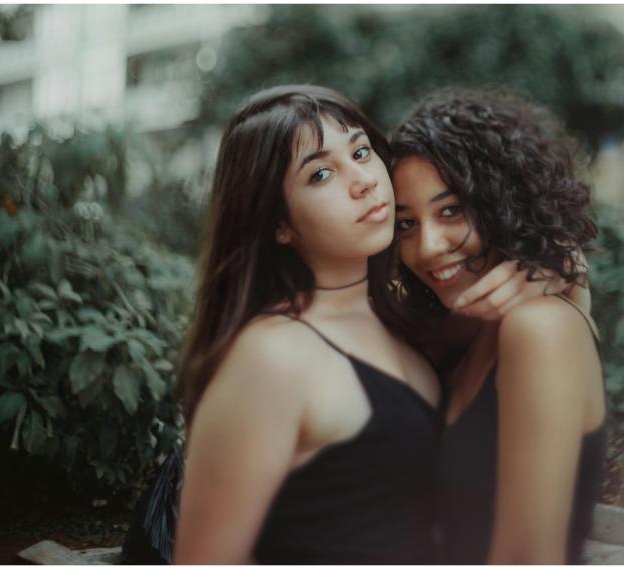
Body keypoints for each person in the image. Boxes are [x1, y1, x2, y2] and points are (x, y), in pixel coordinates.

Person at [170, 85, 570, 563]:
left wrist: (558, 276)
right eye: (321, 174)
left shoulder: (402, 315)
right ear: (280, 224)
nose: (362, 180)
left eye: (361, 151)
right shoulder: (271, 357)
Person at [386, 88, 605, 564]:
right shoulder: (461, 332)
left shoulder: (539, 328)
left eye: (451, 210)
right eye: (406, 224)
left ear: (502, 202)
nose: (427, 247)